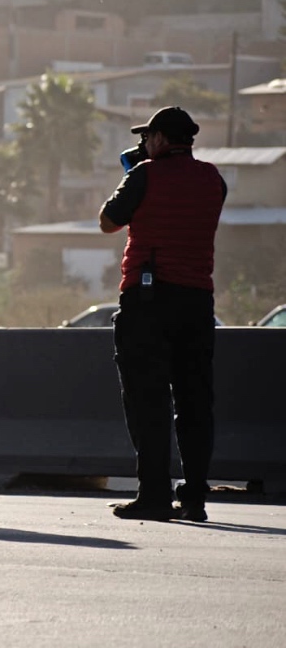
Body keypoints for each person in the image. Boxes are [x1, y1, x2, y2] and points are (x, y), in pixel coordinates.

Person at [99, 106, 226, 522]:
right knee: (194, 401)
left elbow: (108, 222)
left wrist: (132, 174)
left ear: (157, 139)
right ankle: (194, 498)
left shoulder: (143, 175)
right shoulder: (213, 179)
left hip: (149, 301)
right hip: (197, 301)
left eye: (146, 139)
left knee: (148, 399)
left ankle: (154, 494)